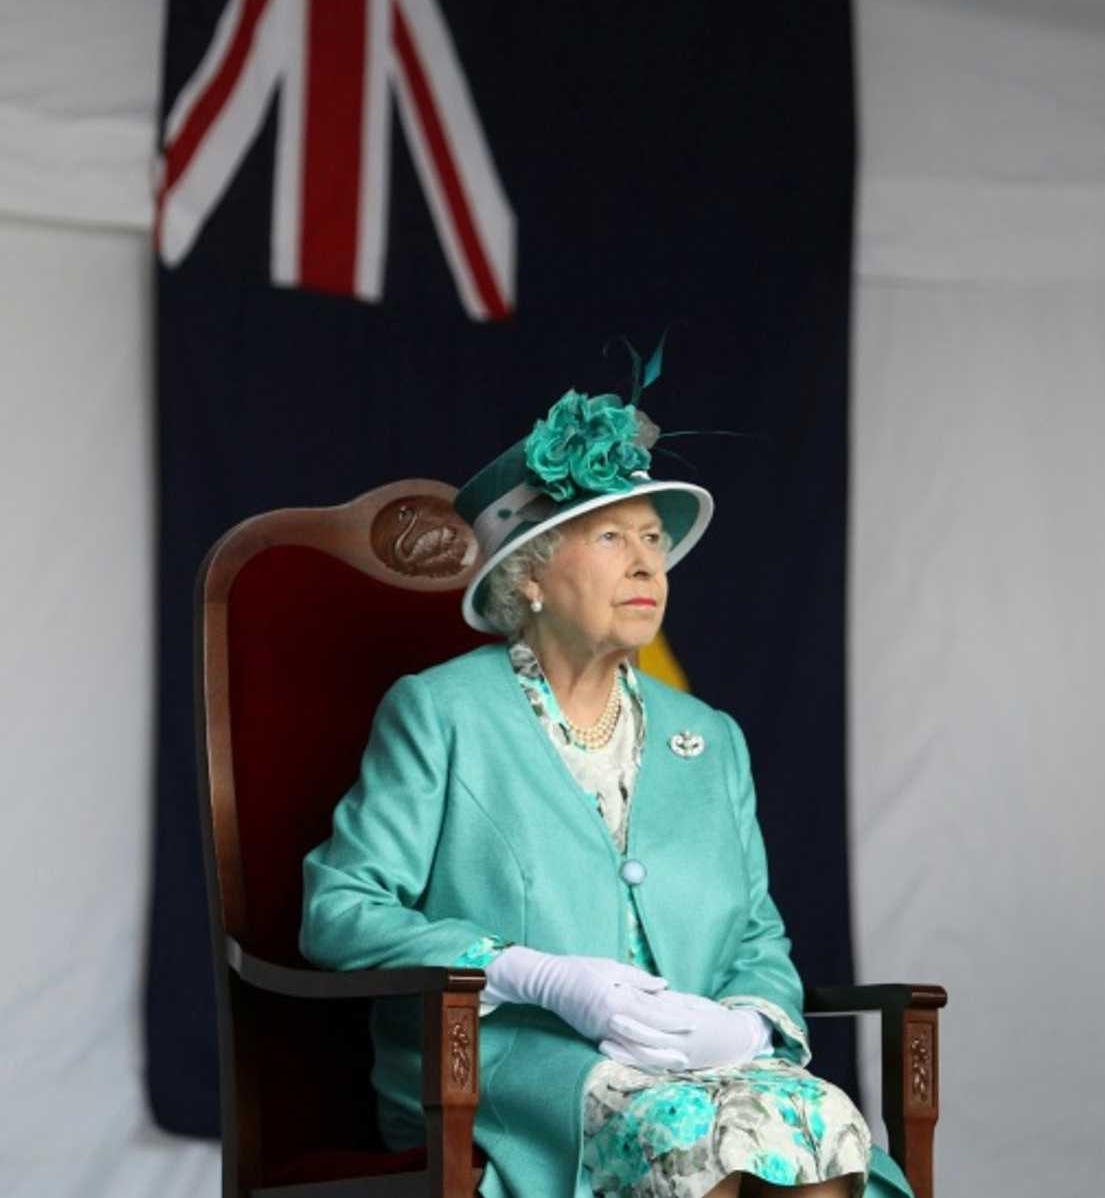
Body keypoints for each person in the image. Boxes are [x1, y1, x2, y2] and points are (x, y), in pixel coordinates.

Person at [301, 386, 913, 1198]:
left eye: (654, 538)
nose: (646, 562)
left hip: (695, 1063)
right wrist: (528, 972)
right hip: (504, 1066)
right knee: (694, 1139)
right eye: (611, 535)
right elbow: (338, 910)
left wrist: (744, 1022)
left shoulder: (712, 736)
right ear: (530, 577)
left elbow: (759, 935)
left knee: (822, 1122)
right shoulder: (441, 712)